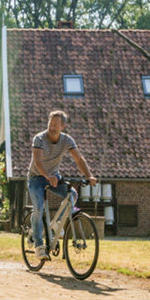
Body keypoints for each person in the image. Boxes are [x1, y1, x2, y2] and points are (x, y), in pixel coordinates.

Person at [27, 110, 97, 259]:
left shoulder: (67, 140)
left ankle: (58, 224)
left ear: (62, 127)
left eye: (56, 125)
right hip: (36, 177)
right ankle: (39, 246)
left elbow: (79, 159)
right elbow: (38, 161)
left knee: (72, 194)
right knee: (38, 208)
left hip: (53, 176)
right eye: (50, 124)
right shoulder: (39, 138)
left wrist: (89, 176)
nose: (52, 128)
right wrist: (48, 176)